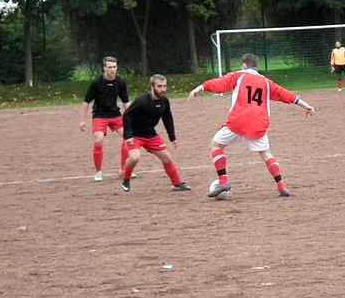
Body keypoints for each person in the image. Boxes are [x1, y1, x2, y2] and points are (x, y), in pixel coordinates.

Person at [188, 53, 315, 198]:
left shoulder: (238, 76)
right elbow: (286, 94)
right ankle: (282, 186)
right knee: (266, 153)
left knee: (216, 145)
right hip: (259, 124)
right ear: (256, 66)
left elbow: (220, 83)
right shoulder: (267, 82)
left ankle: (223, 181)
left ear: (243, 65)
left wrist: (201, 87)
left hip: (238, 120)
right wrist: (307, 106)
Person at [120, 74, 191, 192]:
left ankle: (177, 184)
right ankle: (126, 179)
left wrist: (172, 137)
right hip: (135, 135)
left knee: (167, 158)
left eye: (164, 86)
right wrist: (128, 135)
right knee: (134, 157)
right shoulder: (141, 101)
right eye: (159, 86)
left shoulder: (165, 101)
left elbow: (167, 118)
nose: (163, 89)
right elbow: (127, 116)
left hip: (150, 134)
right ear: (152, 87)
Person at [80, 56, 132, 182]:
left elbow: (126, 102)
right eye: (109, 67)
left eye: (114, 67)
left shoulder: (120, 82)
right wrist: (82, 120)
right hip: (100, 115)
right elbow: (86, 102)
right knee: (98, 140)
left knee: (128, 138)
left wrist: (132, 118)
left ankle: (123, 169)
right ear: (104, 68)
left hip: (115, 115)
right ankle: (98, 172)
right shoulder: (96, 83)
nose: (112, 70)